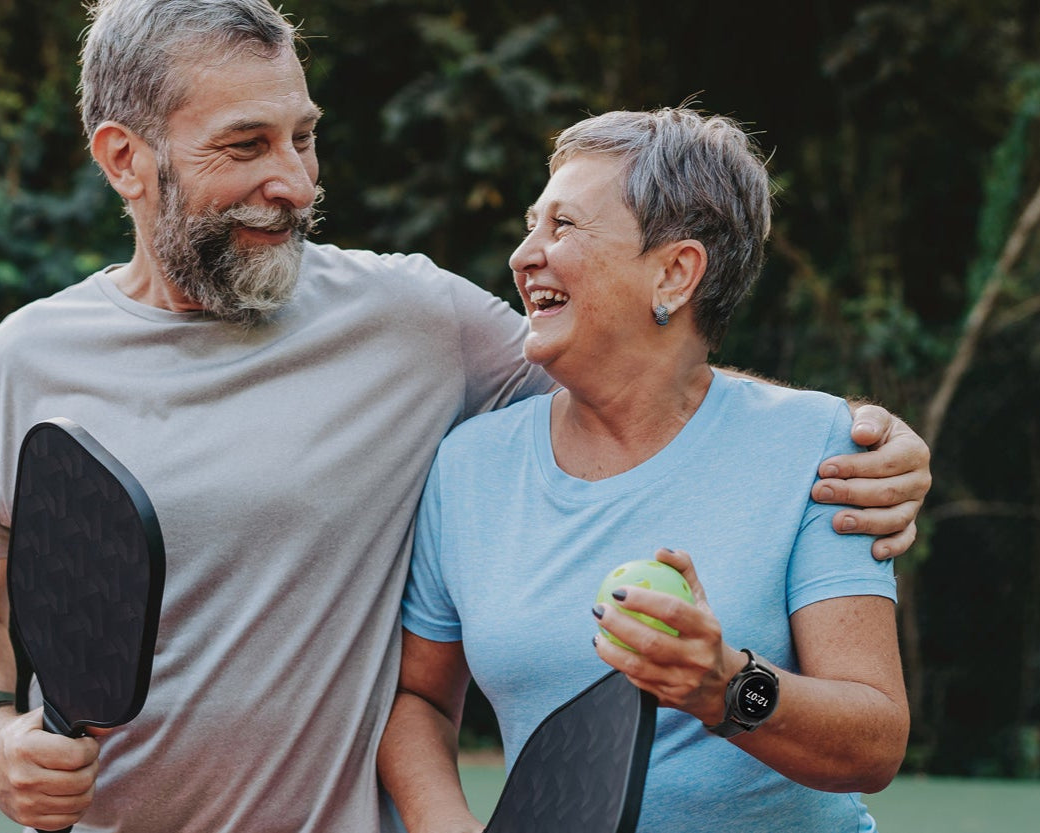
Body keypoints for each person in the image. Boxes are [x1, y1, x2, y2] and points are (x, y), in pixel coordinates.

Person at [0, 3, 928, 832]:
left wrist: (861, 441)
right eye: (245, 145)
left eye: (303, 137)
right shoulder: (30, 358)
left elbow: (643, 381)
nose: (294, 182)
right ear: (125, 158)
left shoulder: (415, 319)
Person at [377, 107, 910, 833]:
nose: (523, 253)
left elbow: (874, 743)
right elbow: (420, 699)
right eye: (532, 224)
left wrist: (724, 683)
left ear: (674, 272)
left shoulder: (817, 444)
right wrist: (443, 822)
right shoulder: (468, 465)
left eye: (562, 226)